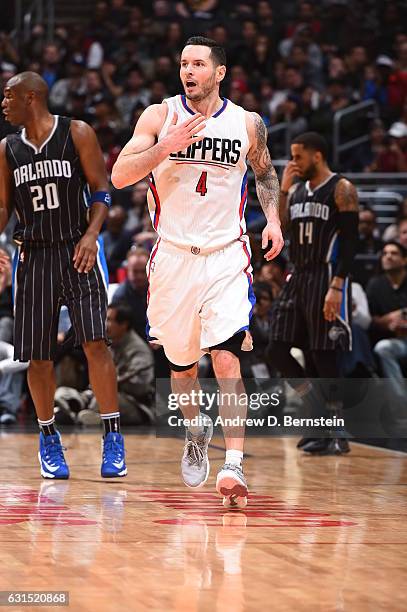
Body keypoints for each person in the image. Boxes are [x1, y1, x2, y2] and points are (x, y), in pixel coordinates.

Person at [112, 36, 283, 508]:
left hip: (227, 254)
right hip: (172, 258)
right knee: (182, 368)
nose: (189, 71)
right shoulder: (158, 115)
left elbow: (265, 173)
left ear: (219, 72)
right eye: (184, 63)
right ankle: (194, 430)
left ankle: (233, 463)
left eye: (199, 64)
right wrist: (167, 145)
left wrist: (272, 220)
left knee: (227, 359)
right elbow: (120, 176)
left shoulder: (247, 123)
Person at [0, 71, 127, 479]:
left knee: (95, 343)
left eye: (9, 97)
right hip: (33, 257)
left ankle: (112, 436)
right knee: (38, 357)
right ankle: (48, 437)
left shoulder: (77, 132)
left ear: (31, 97)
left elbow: (102, 190)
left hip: (78, 250)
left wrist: (92, 235)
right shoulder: (7, 149)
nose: (4, 104)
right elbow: (4, 209)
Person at [268, 132, 359, 455]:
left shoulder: (342, 189)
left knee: (323, 355)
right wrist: (283, 188)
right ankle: (318, 410)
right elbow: (279, 226)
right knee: (276, 348)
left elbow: (351, 244)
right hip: (299, 274)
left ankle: (334, 426)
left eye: (298, 156)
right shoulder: (297, 191)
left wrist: (338, 285)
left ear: (317, 155)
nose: (293, 162)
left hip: (326, 275)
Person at [366, 241, 407, 406]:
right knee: (383, 348)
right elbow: (371, 319)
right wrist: (390, 321)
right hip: (394, 340)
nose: (388, 256)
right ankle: (401, 406)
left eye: (394, 253)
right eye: (384, 253)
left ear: (404, 260)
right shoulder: (375, 284)